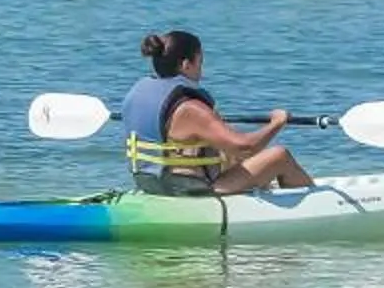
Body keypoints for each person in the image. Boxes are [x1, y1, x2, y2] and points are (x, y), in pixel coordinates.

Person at [119, 28, 311, 195]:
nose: (202, 71)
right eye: (200, 62)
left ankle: (264, 186)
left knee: (227, 150)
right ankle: (317, 207)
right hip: (188, 189)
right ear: (186, 65)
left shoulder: (136, 93)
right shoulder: (191, 108)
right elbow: (246, 147)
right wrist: (277, 122)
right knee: (279, 155)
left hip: (150, 183)